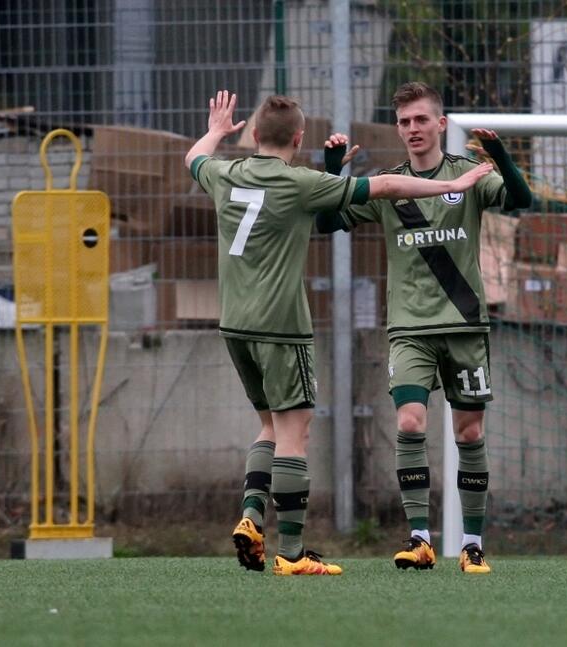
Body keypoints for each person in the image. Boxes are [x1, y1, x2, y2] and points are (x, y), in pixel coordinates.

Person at [185, 90, 493, 576]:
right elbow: (389, 186)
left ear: (255, 135)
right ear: (299, 138)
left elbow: (195, 157)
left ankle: (249, 516)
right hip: (281, 326)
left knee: (267, 427)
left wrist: (217, 131)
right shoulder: (301, 183)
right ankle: (290, 552)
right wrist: (457, 184)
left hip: (233, 325)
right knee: (294, 431)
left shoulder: (224, 173)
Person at [318, 81, 532, 574]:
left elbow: (520, 200)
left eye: (420, 120)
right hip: (410, 326)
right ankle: (419, 538)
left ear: (440, 124)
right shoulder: (391, 184)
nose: (412, 129)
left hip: (465, 325)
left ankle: (472, 545)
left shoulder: (469, 175)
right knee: (410, 421)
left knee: (470, 432)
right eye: (404, 122)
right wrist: (332, 172)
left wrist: (500, 155)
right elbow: (327, 224)